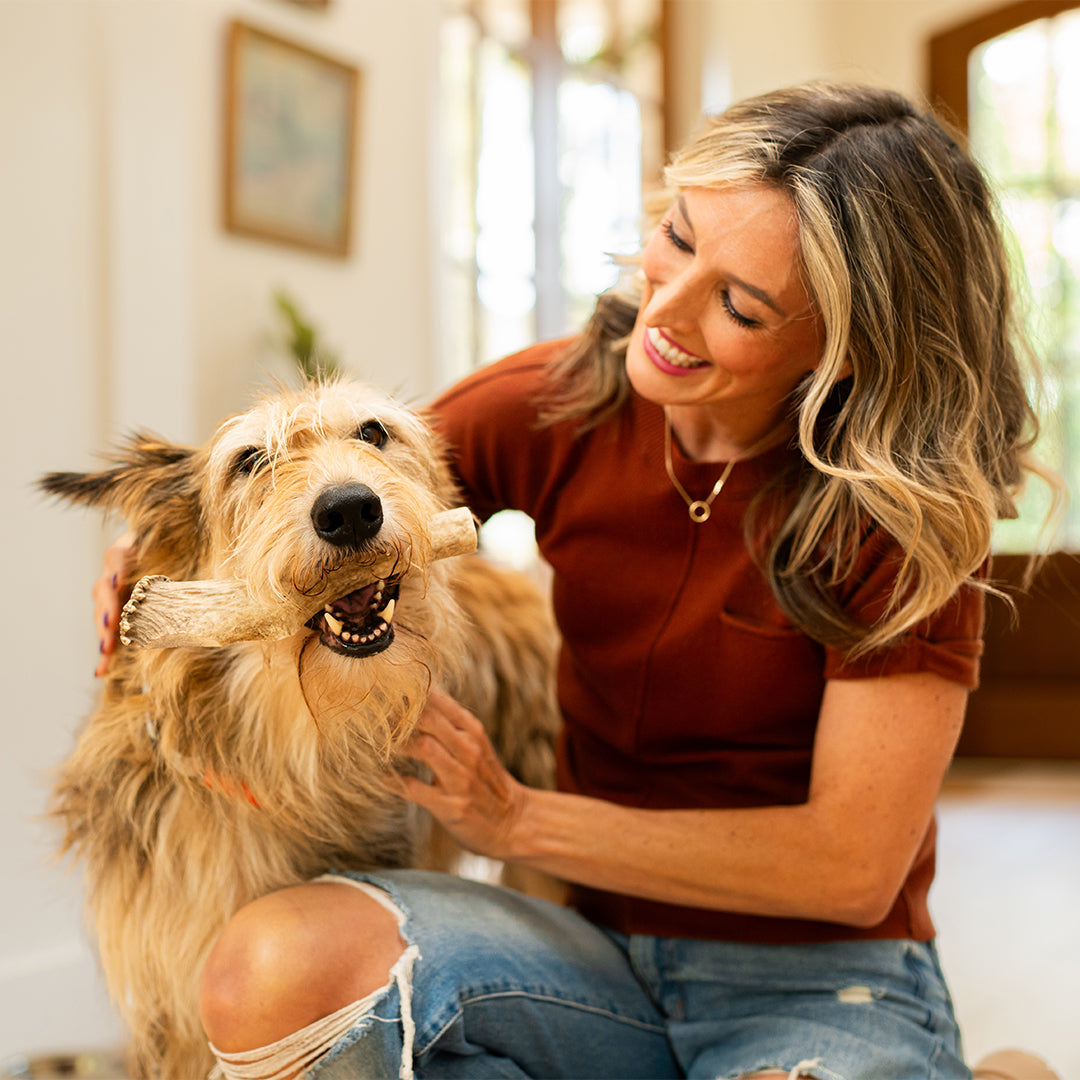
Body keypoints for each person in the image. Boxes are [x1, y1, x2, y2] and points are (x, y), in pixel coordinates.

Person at [92, 82, 1054, 1080]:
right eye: (678, 239)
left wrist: (517, 821)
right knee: (269, 976)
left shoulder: (908, 513)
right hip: (579, 957)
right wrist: (160, 557)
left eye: (740, 304)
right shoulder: (559, 402)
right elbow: (330, 500)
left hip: (818, 978)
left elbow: (853, 871)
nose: (665, 313)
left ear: (847, 350)